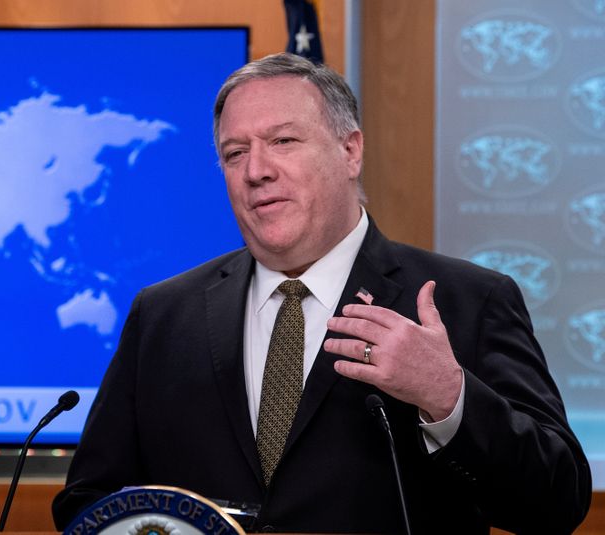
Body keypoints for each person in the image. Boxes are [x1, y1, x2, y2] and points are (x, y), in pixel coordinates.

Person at [52, 53, 591, 534]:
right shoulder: (164, 314)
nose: (256, 171)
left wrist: (448, 397)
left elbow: (556, 503)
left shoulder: (468, 300)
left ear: (350, 150)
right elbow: (88, 501)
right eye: (235, 153)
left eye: (283, 141)